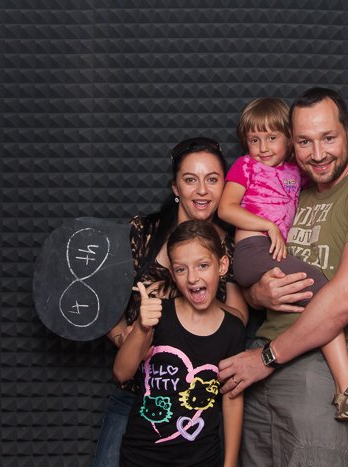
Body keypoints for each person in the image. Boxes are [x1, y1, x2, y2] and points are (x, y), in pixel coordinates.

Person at [218, 88, 348, 466]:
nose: (319, 153)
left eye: (329, 138)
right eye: (305, 142)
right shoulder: (298, 188)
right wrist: (259, 294)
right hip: (261, 369)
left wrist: (266, 358)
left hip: (316, 374)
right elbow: (261, 269)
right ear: (293, 144)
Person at [92, 137, 248, 467]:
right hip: (135, 395)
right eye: (190, 179)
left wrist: (193, 308)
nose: (202, 190)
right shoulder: (143, 231)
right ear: (175, 187)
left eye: (212, 179)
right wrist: (125, 336)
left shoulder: (229, 246)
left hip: (194, 408)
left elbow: (238, 318)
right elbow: (101, 297)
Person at [115, 220, 246, 467]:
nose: (193, 278)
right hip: (141, 456)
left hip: (202, 458)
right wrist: (142, 328)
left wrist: (230, 463)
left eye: (203, 265)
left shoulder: (233, 328)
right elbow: (122, 373)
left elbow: (232, 398)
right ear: (172, 274)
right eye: (181, 269)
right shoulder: (157, 315)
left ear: (222, 265)